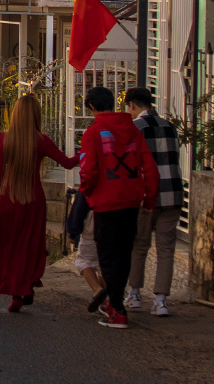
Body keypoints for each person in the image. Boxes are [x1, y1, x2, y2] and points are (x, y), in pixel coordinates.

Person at [0, 94, 79, 312]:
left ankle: (17, 292)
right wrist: (87, 151)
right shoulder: (42, 141)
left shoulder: (6, 139)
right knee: (29, 247)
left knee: (10, 248)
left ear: (15, 114)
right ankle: (26, 286)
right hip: (34, 200)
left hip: (10, 200)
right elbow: (68, 163)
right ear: (36, 115)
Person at [80, 86, 159, 330]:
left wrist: (88, 192)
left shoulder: (93, 133)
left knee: (107, 256)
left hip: (105, 202)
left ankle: (117, 309)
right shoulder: (133, 132)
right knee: (124, 255)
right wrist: (149, 199)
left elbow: (89, 171)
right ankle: (117, 302)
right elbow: (150, 167)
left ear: (92, 107)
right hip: (131, 200)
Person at [123, 86, 183, 316]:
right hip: (173, 194)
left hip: (147, 195)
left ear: (132, 105)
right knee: (166, 248)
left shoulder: (135, 127)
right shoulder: (170, 127)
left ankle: (135, 293)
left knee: (139, 245)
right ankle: (160, 300)